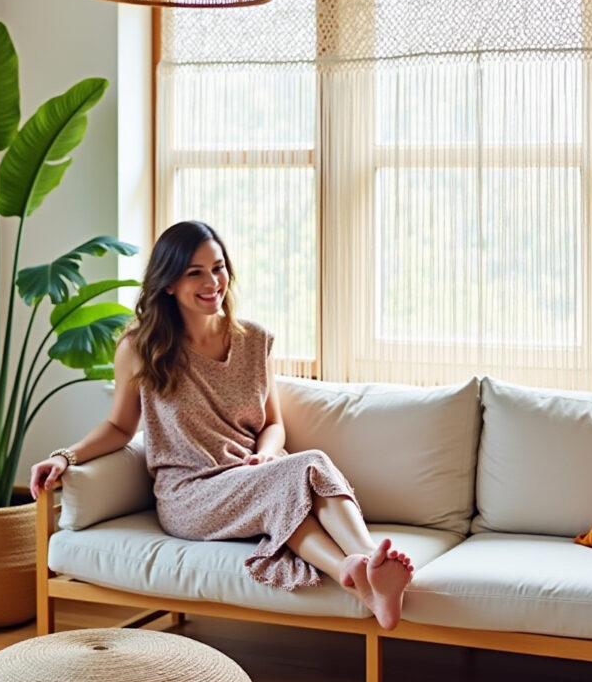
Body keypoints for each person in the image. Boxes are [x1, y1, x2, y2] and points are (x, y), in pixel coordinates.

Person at [28, 220, 415, 630]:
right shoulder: (141, 349)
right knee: (309, 464)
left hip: (251, 475)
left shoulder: (255, 340)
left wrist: (265, 456)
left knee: (288, 494)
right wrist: (65, 457)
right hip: (190, 494)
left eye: (218, 268)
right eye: (195, 272)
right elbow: (120, 428)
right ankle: (372, 562)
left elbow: (273, 426)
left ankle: (360, 571)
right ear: (169, 284)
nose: (213, 281)